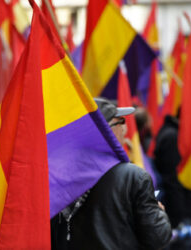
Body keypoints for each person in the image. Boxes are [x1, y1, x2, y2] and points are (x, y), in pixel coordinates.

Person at [51, 98, 172, 250]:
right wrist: (158, 213)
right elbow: (159, 237)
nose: (125, 128)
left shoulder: (59, 174)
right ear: (107, 131)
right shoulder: (134, 176)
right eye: (120, 121)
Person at [154, 114, 191, 250]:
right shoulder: (173, 137)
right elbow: (172, 179)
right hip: (181, 210)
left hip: (183, 206)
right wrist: (178, 215)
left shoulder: (170, 133)